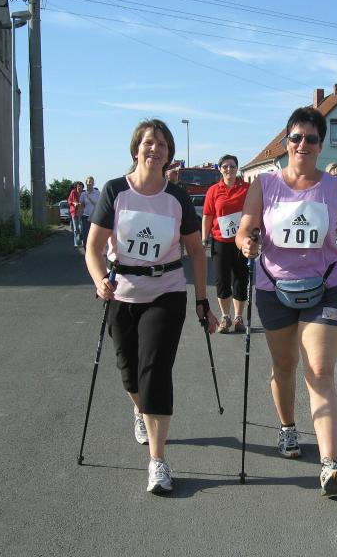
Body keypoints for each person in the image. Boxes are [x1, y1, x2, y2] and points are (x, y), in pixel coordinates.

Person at [236, 107, 337, 497]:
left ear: (320, 145)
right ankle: (287, 427)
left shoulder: (334, 189)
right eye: (296, 137)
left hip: (325, 285)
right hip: (274, 287)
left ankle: (330, 466)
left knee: (320, 370)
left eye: (311, 138)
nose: (302, 144)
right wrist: (246, 242)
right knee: (284, 366)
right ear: (286, 142)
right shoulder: (265, 184)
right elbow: (245, 229)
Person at [85, 118, 218, 494]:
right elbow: (94, 248)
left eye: (162, 144)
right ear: (136, 149)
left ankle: (157, 462)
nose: (155, 149)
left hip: (166, 292)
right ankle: (140, 408)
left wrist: (202, 300)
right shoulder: (115, 191)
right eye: (148, 143)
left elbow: (196, 251)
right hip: (122, 292)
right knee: (130, 373)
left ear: (169, 153)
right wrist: (99, 280)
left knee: (155, 372)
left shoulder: (176, 198)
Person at [202, 154, 250, 333]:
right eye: (225, 166)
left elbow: (255, 210)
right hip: (220, 242)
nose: (229, 169)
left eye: (232, 166)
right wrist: (204, 239)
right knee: (222, 280)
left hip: (241, 242)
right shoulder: (214, 190)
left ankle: (238, 317)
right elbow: (207, 216)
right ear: (220, 169)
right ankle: (225, 316)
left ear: (237, 168)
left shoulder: (246, 188)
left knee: (241, 279)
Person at [79, 176, 100, 245]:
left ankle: (93, 249)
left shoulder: (97, 193)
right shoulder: (83, 194)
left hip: (95, 217)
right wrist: (79, 216)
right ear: (86, 183)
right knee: (86, 235)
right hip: (86, 217)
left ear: (94, 183)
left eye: (92, 182)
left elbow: (99, 205)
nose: (90, 183)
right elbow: (81, 205)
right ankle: (86, 249)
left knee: (94, 235)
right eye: (89, 182)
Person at [68, 181, 85, 247]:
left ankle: (82, 241)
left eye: (80, 186)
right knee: (75, 229)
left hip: (82, 212)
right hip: (74, 212)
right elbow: (69, 201)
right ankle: (76, 243)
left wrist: (82, 204)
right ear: (76, 187)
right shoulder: (73, 192)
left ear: (82, 187)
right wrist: (74, 203)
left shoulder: (84, 193)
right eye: (78, 186)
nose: (79, 187)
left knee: (82, 228)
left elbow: (86, 202)